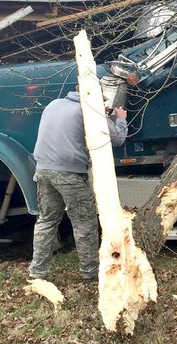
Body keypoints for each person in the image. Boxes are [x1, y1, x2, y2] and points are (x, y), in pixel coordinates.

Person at [27, 89, 128, 282]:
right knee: (84, 223)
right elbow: (117, 139)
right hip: (69, 174)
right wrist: (119, 118)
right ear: (93, 97)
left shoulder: (54, 104)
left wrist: (102, 115)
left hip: (43, 171)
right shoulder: (89, 111)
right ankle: (90, 274)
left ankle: (37, 272)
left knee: (47, 221)